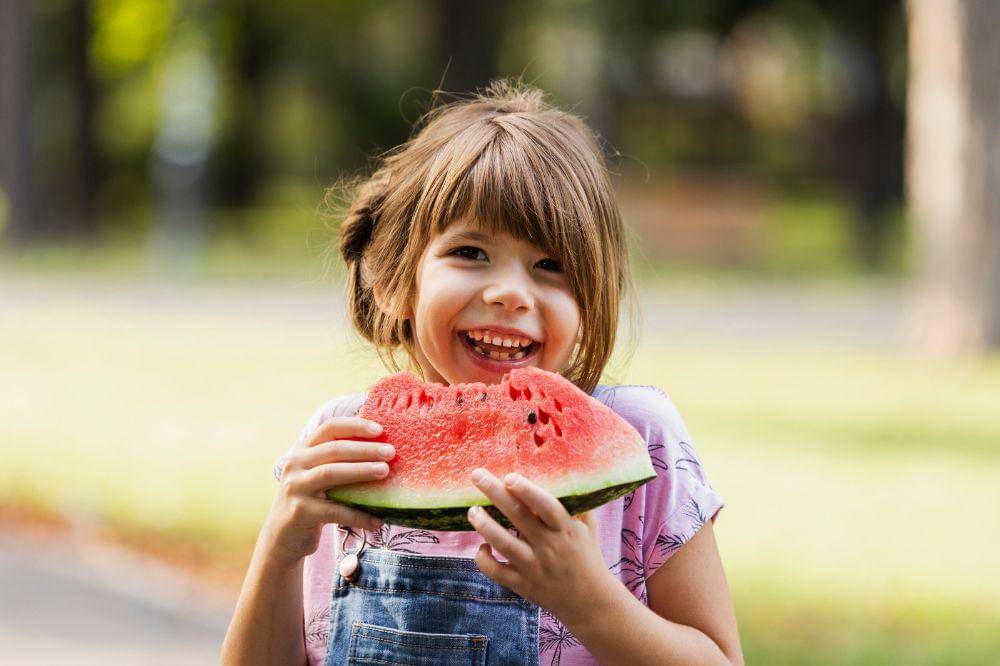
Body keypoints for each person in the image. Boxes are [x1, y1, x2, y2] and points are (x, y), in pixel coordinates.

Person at [222, 79, 743, 665]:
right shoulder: (346, 444)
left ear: (591, 301)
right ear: (397, 281)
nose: (509, 294)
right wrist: (279, 547)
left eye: (551, 266)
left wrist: (591, 602)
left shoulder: (643, 438)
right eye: (470, 253)